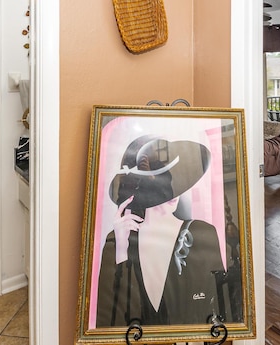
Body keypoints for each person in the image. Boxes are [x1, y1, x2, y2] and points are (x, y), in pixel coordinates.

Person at [96, 136, 225, 327]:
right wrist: (121, 253)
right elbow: (109, 322)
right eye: (157, 186)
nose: (172, 195)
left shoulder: (201, 233)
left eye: (169, 183)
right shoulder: (117, 242)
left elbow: (218, 311)